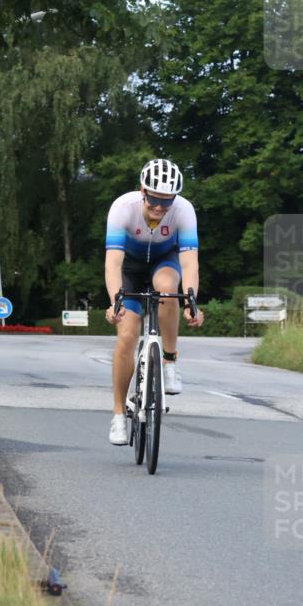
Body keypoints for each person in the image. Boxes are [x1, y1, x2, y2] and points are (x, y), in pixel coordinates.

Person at [104, 158, 204, 445]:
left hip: (163, 262)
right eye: (154, 200)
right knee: (126, 335)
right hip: (129, 269)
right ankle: (119, 415)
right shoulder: (123, 207)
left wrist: (192, 302)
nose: (160, 208)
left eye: (167, 202)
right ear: (142, 191)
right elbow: (112, 263)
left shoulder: (184, 211)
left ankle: (169, 363)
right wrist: (116, 302)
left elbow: (189, 263)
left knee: (169, 290)